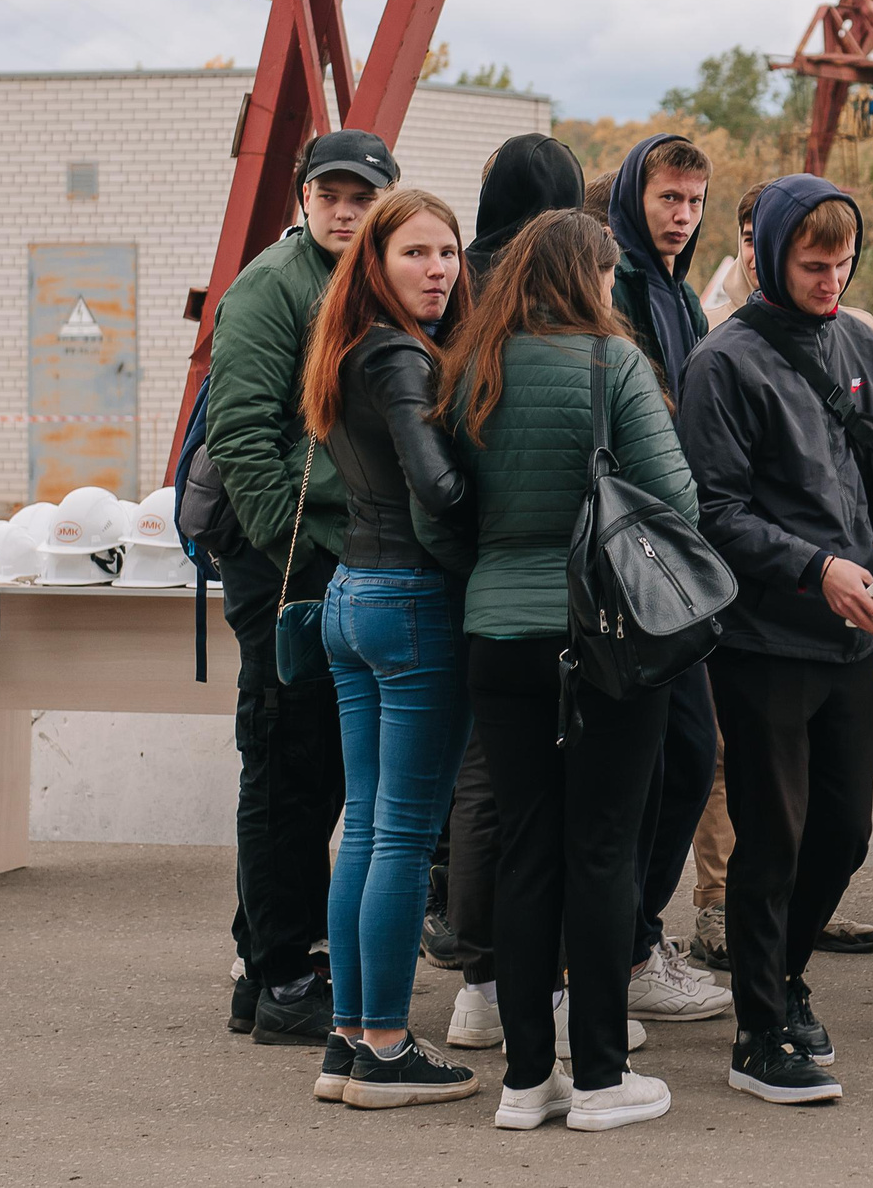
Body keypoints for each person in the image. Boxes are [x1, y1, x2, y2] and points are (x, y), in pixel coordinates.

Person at [437, 209, 685, 1131]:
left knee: (527, 844)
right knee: (604, 848)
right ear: (590, 277)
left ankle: (525, 1080)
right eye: (610, 272)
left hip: (498, 634)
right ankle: (602, 1079)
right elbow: (677, 498)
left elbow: (439, 508)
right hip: (605, 634)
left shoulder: (471, 366)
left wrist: (494, 570)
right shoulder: (613, 363)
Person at [679, 175, 873, 1105]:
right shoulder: (723, 362)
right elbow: (711, 510)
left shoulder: (862, 340)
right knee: (769, 835)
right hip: (766, 635)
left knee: (845, 828)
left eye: (844, 262)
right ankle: (758, 1027)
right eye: (813, 263)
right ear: (769, 255)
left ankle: (787, 975)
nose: (831, 278)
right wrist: (816, 567)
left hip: (855, 633)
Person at [206, 130, 393, 1044]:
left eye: (362, 195)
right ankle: (283, 974)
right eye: (331, 193)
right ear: (303, 196)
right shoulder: (272, 286)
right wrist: (296, 546)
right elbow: (240, 432)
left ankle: (265, 960)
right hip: (285, 559)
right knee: (287, 762)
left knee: (311, 764)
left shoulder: (371, 280)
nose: (344, 209)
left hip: (339, 551)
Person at [303, 185, 480, 1108]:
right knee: (402, 834)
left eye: (448, 253)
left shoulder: (347, 343)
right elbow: (440, 488)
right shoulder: (403, 359)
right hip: (410, 602)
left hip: (351, 596)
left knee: (368, 828)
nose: (439, 269)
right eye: (417, 253)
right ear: (376, 260)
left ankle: (345, 1042)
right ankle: (383, 1045)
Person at [429, 135, 584, 1022]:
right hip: (560, 595)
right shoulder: (556, 290)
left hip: (466, 580)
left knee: (480, 784)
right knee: (565, 795)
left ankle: (477, 981)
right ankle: (559, 989)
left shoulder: (453, 284)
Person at [603, 135, 736, 1024]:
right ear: (633, 198)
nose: (683, 217)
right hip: (628, 561)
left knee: (685, 759)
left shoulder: (679, 293)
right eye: (668, 200)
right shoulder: (614, 289)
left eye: (693, 202)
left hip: (675, 553)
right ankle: (628, 945)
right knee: (663, 761)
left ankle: (635, 936)